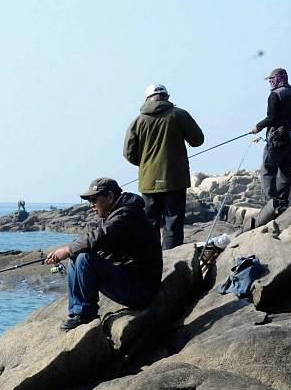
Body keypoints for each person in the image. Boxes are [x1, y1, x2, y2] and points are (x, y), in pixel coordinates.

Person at [43, 178, 163, 331]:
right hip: (130, 280)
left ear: (110, 197)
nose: (91, 204)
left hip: (141, 290)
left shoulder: (127, 214)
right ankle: (77, 312)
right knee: (78, 256)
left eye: (94, 199)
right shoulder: (115, 213)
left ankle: (85, 314)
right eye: (89, 200)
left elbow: (99, 237)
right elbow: (98, 242)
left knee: (84, 258)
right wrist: (72, 250)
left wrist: (67, 249)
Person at [123, 84, 205, 249]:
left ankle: (150, 258)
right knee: (173, 223)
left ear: (147, 99)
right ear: (166, 97)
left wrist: (146, 165)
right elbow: (198, 140)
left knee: (150, 223)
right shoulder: (179, 114)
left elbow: (128, 153)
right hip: (175, 179)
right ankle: (171, 258)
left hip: (148, 181)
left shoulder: (137, 121)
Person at [251, 67, 291, 213]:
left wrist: (257, 127)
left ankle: (271, 204)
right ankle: (282, 203)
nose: (270, 82)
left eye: (271, 79)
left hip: (277, 140)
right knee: (285, 172)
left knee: (268, 169)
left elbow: (271, 118)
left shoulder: (274, 95)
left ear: (277, 79)